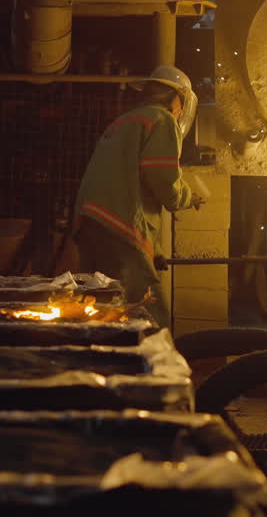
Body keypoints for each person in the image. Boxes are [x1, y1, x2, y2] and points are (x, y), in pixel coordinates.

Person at [74, 65, 204, 327]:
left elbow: (130, 185)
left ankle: (100, 363)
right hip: (118, 227)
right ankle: (160, 364)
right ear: (177, 98)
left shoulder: (126, 121)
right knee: (147, 309)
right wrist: (188, 197)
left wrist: (154, 251)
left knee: (100, 306)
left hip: (91, 223)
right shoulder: (162, 120)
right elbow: (162, 180)